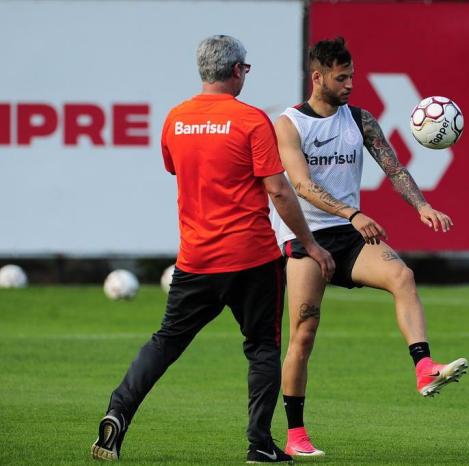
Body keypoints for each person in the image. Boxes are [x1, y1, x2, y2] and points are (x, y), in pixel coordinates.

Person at [90, 35, 334, 464]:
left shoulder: (176, 119)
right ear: (237, 70)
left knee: (165, 341)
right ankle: (259, 444)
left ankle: (118, 411)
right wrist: (309, 243)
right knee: (261, 348)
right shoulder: (251, 120)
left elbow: (176, 167)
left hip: (196, 258)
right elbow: (278, 189)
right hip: (252, 258)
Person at [271, 37, 468, 457]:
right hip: (306, 236)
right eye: (341, 78)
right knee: (303, 334)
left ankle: (424, 368)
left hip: (348, 237)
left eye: (352, 77)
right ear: (318, 77)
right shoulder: (289, 123)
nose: (350, 85)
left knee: (402, 276)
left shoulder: (360, 120)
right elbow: (302, 186)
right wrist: (353, 214)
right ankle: (295, 436)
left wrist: (422, 206)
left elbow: (394, 168)